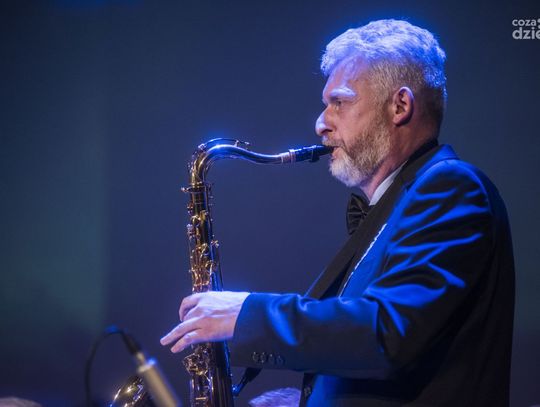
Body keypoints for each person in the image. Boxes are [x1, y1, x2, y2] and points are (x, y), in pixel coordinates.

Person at [161, 19, 515, 406]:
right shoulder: (396, 203)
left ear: (400, 106)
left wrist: (249, 314)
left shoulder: (452, 187)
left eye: (339, 103)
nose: (320, 124)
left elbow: (387, 333)